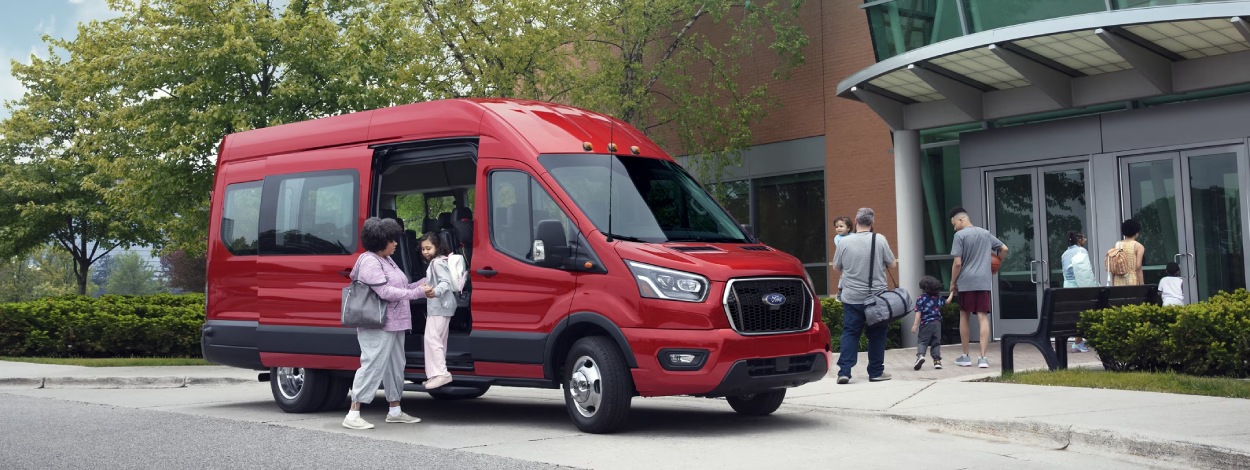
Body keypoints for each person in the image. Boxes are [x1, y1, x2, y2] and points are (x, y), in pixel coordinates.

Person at [344, 217, 425, 430]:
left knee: (395, 367)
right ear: (380, 241)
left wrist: (426, 281)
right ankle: (353, 414)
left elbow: (404, 286)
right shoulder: (370, 261)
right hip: (378, 324)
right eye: (392, 239)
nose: (396, 243)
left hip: (395, 323)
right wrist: (417, 292)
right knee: (372, 365)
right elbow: (386, 292)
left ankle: (395, 410)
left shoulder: (387, 259)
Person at [831, 207, 897, 384]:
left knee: (850, 333)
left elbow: (836, 267)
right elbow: (892, 265)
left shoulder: (844, 242)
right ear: (872, 222)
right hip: (876, 297)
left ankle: (844, 372)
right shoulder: (880, 239)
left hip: (851, 297)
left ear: (856, 220)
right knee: (877, 334)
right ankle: (875, 372)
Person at [946, 207, 1007, 369]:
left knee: (964, 316)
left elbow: (957, 263)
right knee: (982, 317)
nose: (954, 228)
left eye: (954, 224)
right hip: (983, 281)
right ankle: (983, 358)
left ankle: (965, 356)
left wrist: (953, 282)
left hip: (966, 281)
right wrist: (997, 265)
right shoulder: (985, 233)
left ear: (961, 220)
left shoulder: (959, 236)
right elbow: (1004, 249)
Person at [418, 232, 456, 390]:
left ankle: (441, 373)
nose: (425, 251)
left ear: (437, 247)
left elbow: (445, 282)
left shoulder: (437, 263)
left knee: (432, 339)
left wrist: (436, 291)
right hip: (441, 307)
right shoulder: (438, 261)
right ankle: (434, 374)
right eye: (423, 249)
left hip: (439, 306)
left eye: (429, 248)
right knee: (437, 340)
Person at [1061, 231, 1097, 352]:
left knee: (1075, 314)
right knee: (1083, 314)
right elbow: (1084, 272)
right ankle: (1078, 342)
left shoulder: (1064, 254)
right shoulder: (1081, 251)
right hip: (1078, 286)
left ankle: (1078, 341)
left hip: (1067, 286)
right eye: (1084, 238)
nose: (1085, 240)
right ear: (1079, 240)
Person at [911, 275, 945, 370]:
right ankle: (937, 361)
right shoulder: (938, 298)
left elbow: (918, 313)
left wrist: (915, 325)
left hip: (925, 324)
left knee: (922, 342)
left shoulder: (921, 298)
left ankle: (921, 356)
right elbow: (947, 302)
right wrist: (952, 292)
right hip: (937, 324)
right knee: (936, 343)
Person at [1110, 219, 1145, 286]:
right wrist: (1142, 284)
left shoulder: (1116, 245)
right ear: (1136, 232)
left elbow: (1113, 266)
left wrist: (1113, 283)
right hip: (1132, 279)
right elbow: (1138, 267)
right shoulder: (1138, 246)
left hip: (1118, 280)